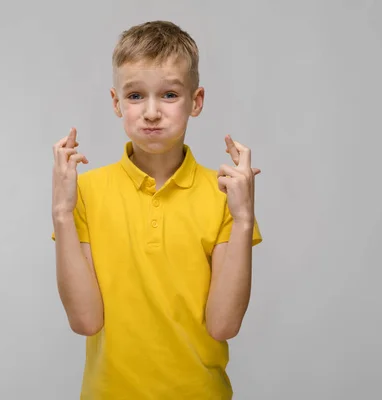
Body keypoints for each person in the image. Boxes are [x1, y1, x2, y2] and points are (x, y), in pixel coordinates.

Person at [51, 20, 262, 399]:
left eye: (168, 95)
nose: (151, 112)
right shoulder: (86, 191)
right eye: (135, 96)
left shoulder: (224, 195)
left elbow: (223, 325)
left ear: (195, 102)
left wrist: (244, 219)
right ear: (116, 102)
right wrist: (62, 214)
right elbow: (85, 321)